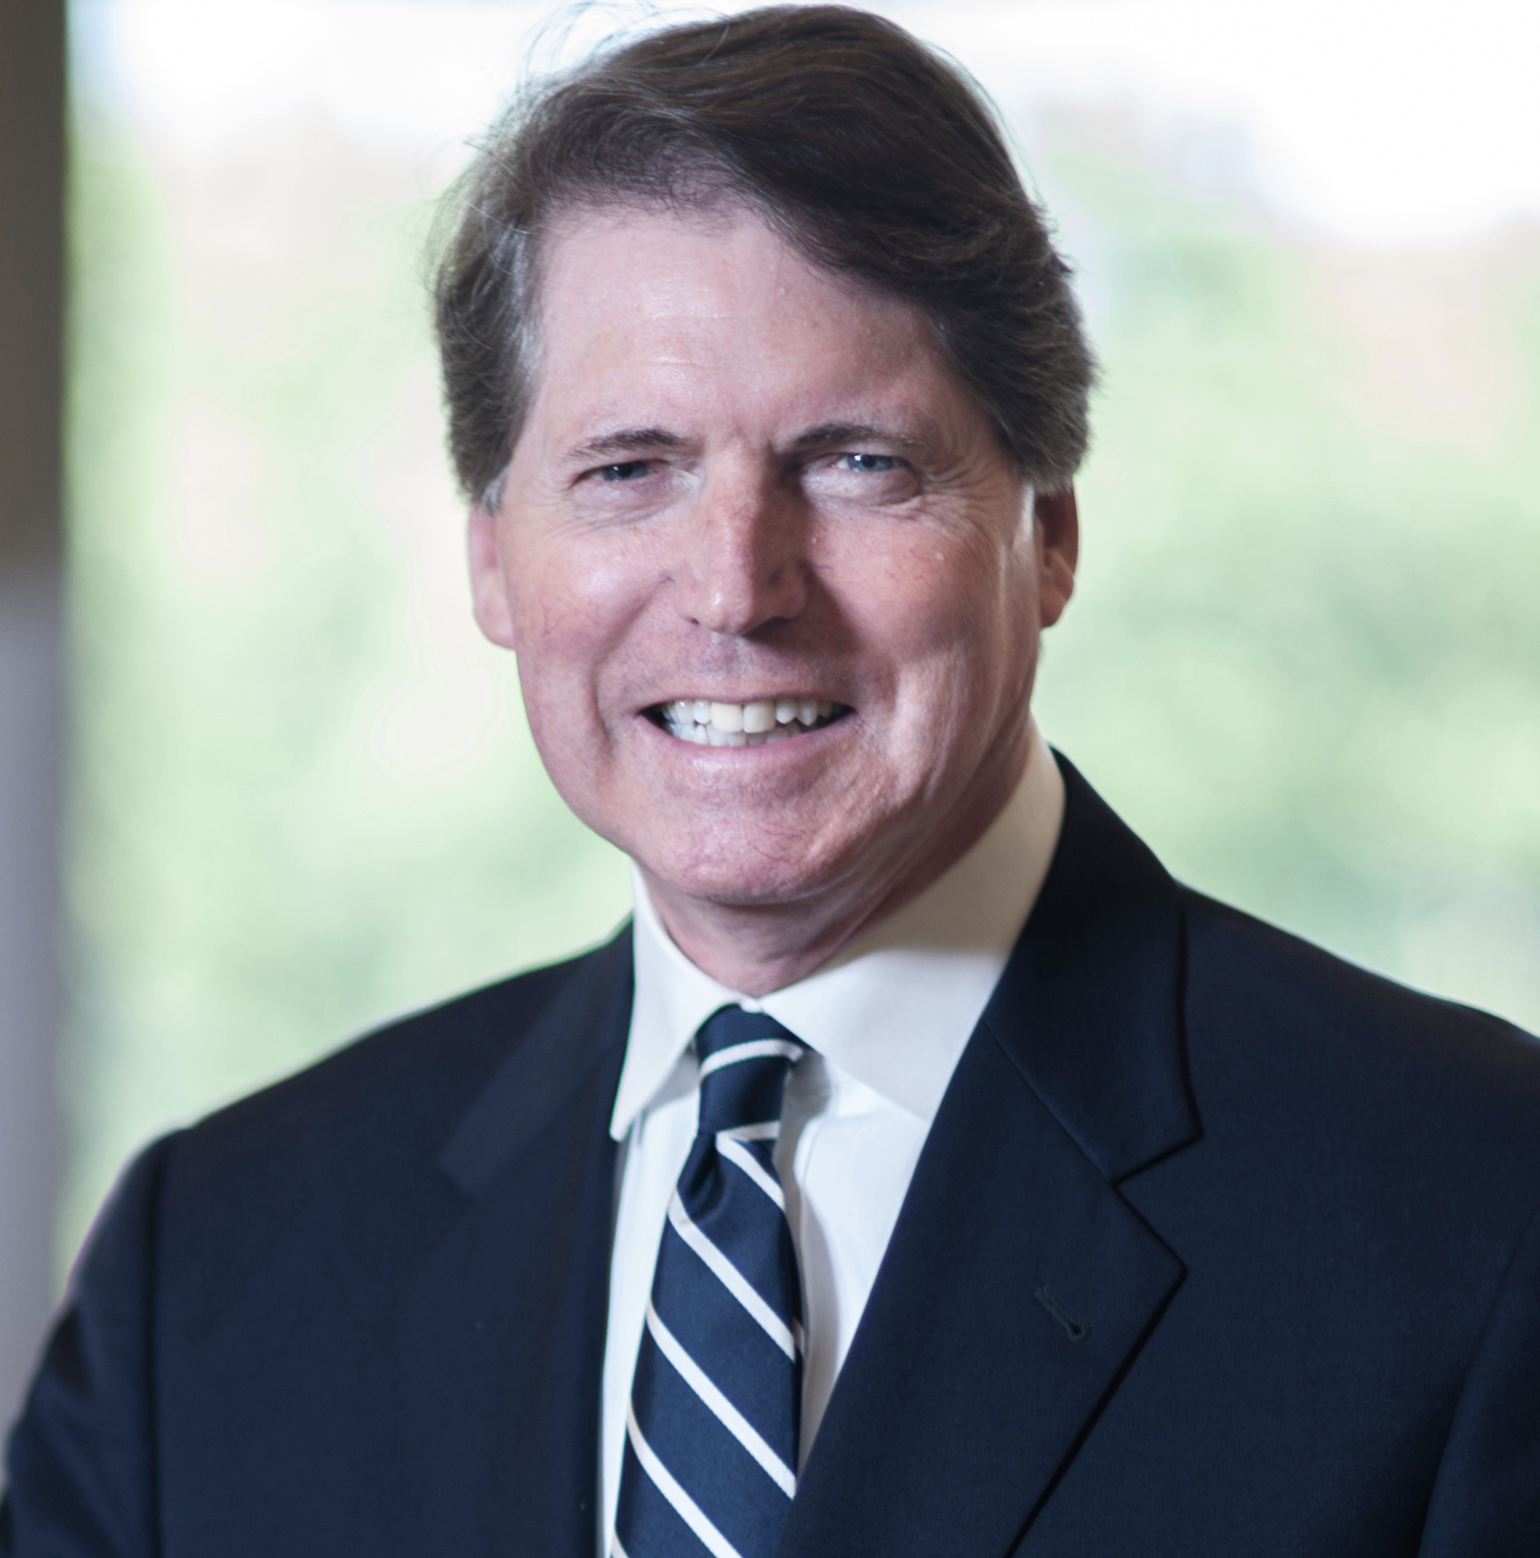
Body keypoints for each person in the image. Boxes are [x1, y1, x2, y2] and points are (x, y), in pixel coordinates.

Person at [4, 6, 1539, 1555]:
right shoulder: (208, 1280)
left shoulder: (1482, 1216)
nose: (736, 587)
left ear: (1051, 530)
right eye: (629, 469)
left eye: (857, 460)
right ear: (491, 556)